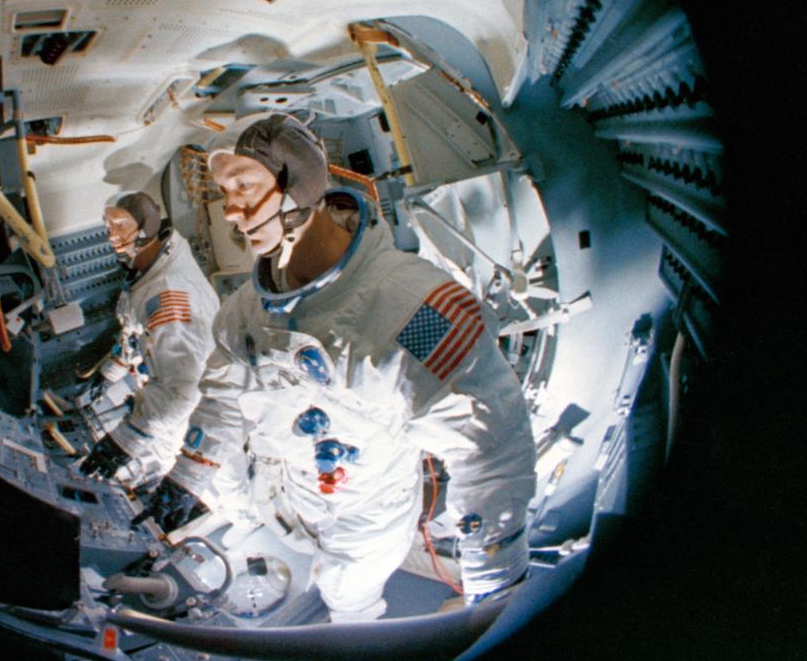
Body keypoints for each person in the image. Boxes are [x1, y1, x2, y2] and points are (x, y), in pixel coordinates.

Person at [135, 113, 537, 622]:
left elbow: (490, 450)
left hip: (364, 518)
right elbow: (221, 399)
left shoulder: (410, 305)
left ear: (298, 184)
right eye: (224, 191)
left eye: (244, 186)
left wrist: (493, 583)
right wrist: (190, 473)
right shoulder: (247, 310)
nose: (232, 211)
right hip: (286, 497)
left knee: (347, 598)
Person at [79, 191, 221, 484]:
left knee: (209, 483)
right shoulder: (152, 267)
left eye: (119, 224)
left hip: (194, 414)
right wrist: (111, 371)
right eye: (108, 225)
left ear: (145, 227)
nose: (111, 235)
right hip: (169, 404)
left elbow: (184, 389)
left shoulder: (166, 291)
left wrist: (127, 441)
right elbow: (135, 332)